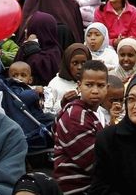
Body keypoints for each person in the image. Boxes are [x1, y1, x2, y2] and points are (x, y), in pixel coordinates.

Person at [53, 58, 111, 194]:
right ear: (79, 86)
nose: (95, 91)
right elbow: (96, 164)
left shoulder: (91, 113)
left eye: (100, 85)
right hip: (78, 188)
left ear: (107, 88)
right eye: (89, 85)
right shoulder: (75, 117)